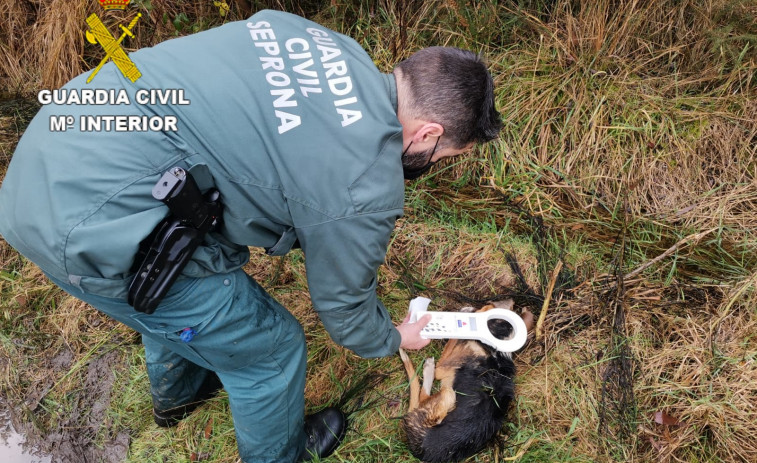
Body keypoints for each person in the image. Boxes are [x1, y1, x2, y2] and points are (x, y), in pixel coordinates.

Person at [0, 9, 502, 463]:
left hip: (63, 140)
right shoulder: (366, 181)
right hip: (84, 220)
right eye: (443, 157)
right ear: (428, 133)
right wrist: (392, 336)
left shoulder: (322, 42)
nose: (432, 166)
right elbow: (344, 307)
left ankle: (178, 399)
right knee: (271, 348)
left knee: (181, 284)